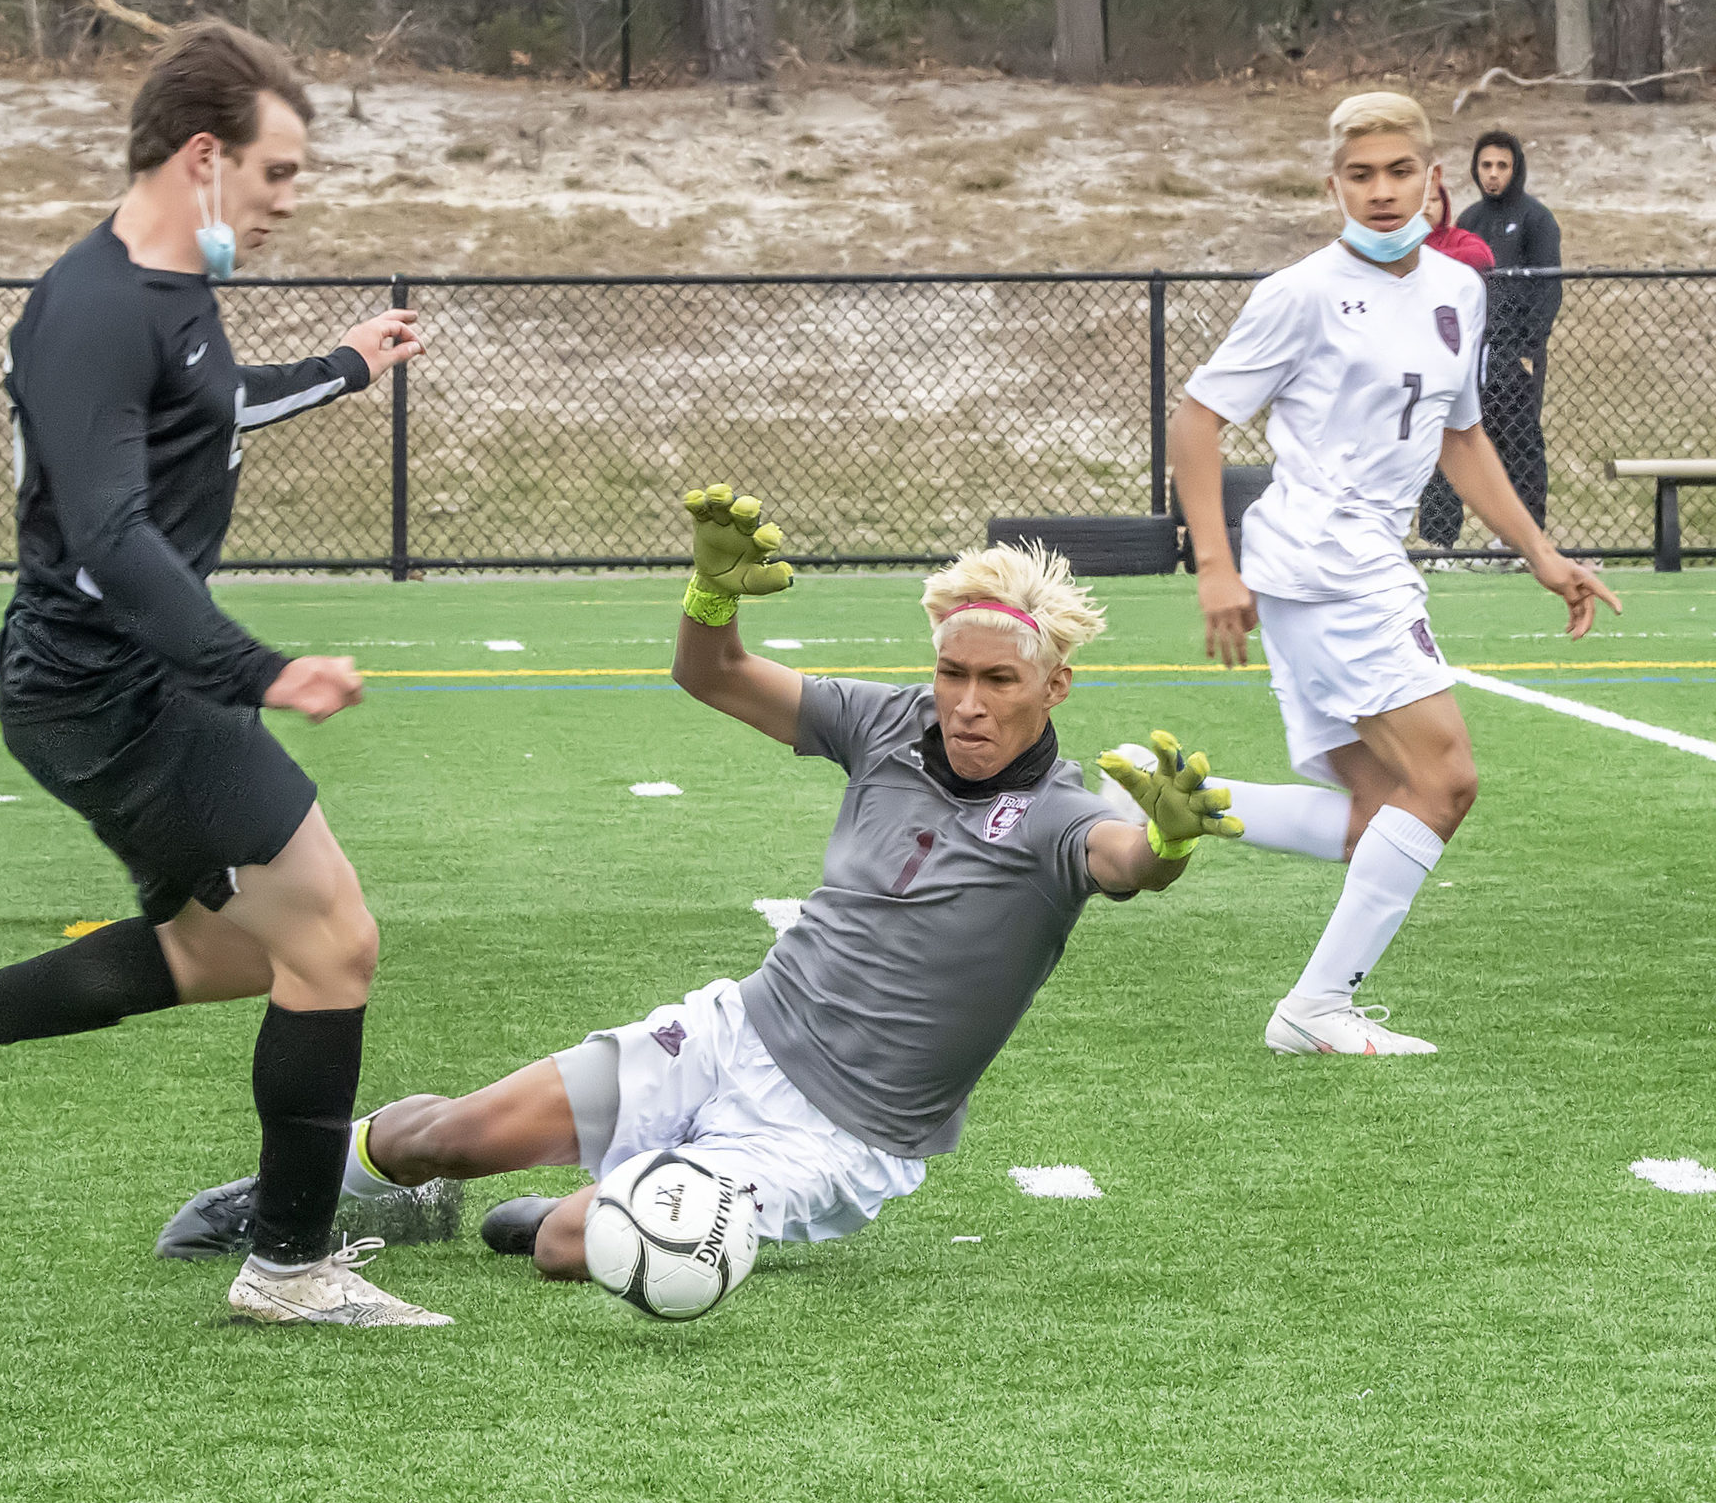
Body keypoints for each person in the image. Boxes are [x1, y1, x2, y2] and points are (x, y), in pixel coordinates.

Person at [148, 486, 1241, 1298]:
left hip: (836, 1137)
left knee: (577, 1244)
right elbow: (711, 674)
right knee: (446, 1131)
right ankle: (323, 1191)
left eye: (997, 680)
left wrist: (1169, 843)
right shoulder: (885, 722)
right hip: (733, 1032)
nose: (964, 700)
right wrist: (712, 592)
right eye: (953, 672)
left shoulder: (1061, 814)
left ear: (1054, 684)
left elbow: (1121, 864)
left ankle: (558, 1212)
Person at [0, 19, 449, 1329]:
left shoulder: (168, 294)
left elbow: (202, 410)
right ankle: (288, 1265)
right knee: (334, 939)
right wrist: (256, 667)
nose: (289, 200)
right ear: (206, 157)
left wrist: (340, 365)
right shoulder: (93, 310)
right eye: (278, 173)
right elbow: (111, 534)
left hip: (128, 684)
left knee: (227, 948)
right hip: (112, 692)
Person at [1168, 92, 1619, 1056]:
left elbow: (1460, 436)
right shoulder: (1301, 291)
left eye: (1398, 171)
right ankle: (1314, 1009)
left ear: (1433, 179)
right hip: (1331, 559)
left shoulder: (1460, 293)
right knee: (1447, 781)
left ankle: (1199, 805)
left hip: (1344, 562)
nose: (1381, 192)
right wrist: (1213, 562)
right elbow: (1196, 418)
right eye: (1360, 175)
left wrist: (1541, 554)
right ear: (1332, 185)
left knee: (1381, 811)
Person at [1420, 129, 1564, 547]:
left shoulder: (1537, 219)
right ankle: (1438, 541)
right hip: (1467, 353)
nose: (1493, 174)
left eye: (1502, 165)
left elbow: (1548, 288)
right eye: (1486, 165)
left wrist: (1526, 346)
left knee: (1521, 442)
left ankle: (1522, 541)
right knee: (1452, 439)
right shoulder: (1471, 221)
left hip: (1512, 354)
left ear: (1515, 168)